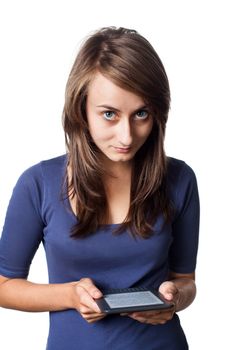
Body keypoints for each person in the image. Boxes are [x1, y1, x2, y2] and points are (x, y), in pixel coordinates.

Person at [0, 27, 199, 350]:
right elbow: (4, 285)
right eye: (109, 114)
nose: (126, 136)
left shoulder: (180, 179)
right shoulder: (38, 184)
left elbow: (186, 281)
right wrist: (68, 295)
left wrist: (174, 300)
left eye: (141, 114)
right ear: (81, 110)